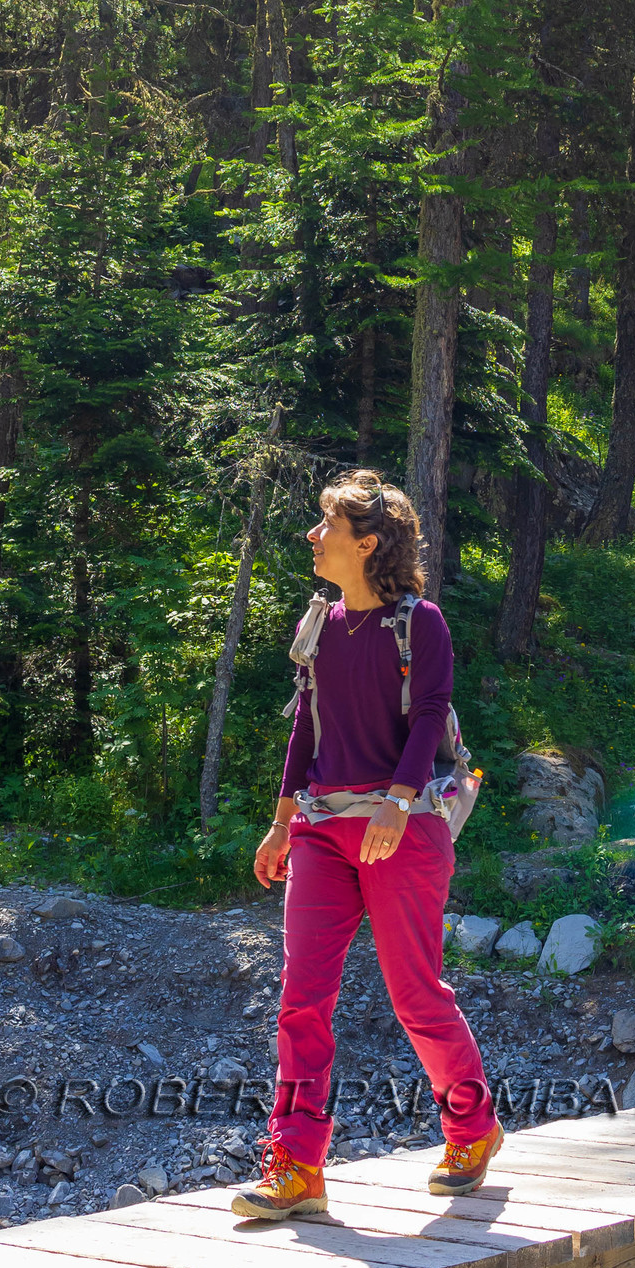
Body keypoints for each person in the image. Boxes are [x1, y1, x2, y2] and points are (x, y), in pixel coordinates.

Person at [236, 471, 503, 1221]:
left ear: (368, 543)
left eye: (326, 525)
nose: (313, 537)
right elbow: (305, 727)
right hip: (323, 829)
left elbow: (428, 718)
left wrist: (397, 801)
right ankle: (296, 1162)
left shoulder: (422, 625)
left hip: (402, 831)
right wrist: (283, 820)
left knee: (415, 996)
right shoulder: (320, 623)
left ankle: (473, 1128)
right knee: (301, 997)